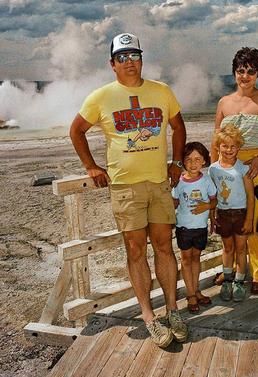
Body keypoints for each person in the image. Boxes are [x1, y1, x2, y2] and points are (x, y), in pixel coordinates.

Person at [70, 33, 188, 348]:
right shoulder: (101, 97)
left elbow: (179, 126)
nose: (129, 63)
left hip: (159, 184)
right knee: (135, 250)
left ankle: (173, 310)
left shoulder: (161, 91)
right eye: (122, 57)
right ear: (112, 64)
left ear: (141, 59)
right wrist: (91, 167)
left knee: (164, 247)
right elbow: (77, 130)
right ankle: (149, 317)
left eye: (134, 55)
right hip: (124, 186)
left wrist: (177, 162)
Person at [211, 47, 258, 295]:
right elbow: (216, 139)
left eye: (251, 71)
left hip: (256, 166)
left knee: (254, 219)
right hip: (226, 167)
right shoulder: (224, 102)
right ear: (234, 72)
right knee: (229, 217)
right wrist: (212, 172)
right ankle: (231, 269)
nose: (245, 76)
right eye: (241, 71)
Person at [209, 125, 254, 302]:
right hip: (223, 214)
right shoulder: (213, 169)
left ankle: (239, 281)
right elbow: (213, 195)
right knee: (227, 248)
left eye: (233, 146)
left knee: (241, 248)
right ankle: (227, 279)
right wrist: (212, 216)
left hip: (241, 213)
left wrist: (249, 219)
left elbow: (251, 196)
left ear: (238, 147)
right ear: (218, 147)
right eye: (225, 146)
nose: (229, 150)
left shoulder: (243, 169)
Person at [172, 142, 217, 313]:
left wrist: (207, 208)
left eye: (198, 159)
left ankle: (196, 290)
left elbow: (214, 201)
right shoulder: (179, 182)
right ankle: (190, 294)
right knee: (186, 260)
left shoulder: (206, 181)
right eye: (189, 159)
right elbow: (173, 202)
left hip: (200, 227)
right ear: (182, 161)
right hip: (183, 227)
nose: (193, 163)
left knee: (196, 259)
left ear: (204, 162)